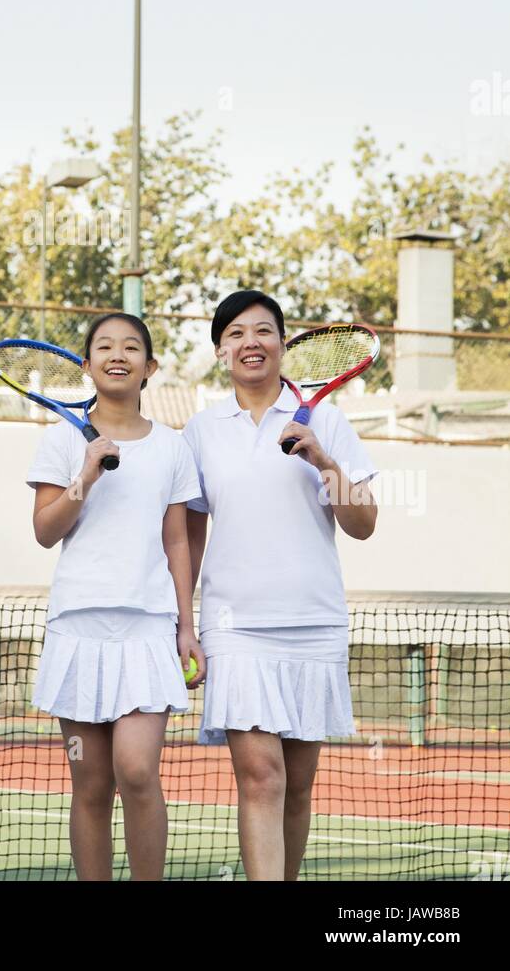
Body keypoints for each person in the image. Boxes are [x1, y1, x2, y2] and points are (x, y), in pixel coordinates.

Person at [182, 290, 378, 882]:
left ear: (283, 344)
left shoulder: (330, 422)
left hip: (312, 623)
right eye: (236, 334)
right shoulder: (201, 430)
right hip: (235, 628)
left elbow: (364, 523)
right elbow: (189, 537)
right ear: (221, 351)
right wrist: (185, 623)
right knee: (262, 776)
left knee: (296, 786)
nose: (250, 343)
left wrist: (325, 461)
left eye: (263, 331)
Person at [27, 313, 204, 881]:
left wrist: (186, 626)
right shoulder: (59, 440)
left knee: (136, 771)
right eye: (103, 346)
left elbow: (177, 540)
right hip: (77, 629)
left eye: (132, 347)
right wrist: (87, 472)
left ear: (149, 368)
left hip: (148, 631)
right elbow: (45, 530)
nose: (117, 354)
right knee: (91, 782)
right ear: (87, 364)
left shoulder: (173, 448)